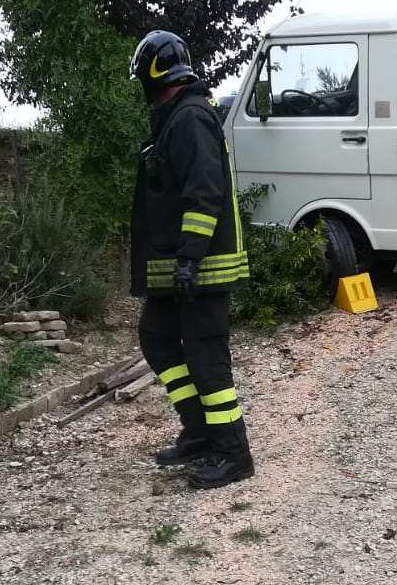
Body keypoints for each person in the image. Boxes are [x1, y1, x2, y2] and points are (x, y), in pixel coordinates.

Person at [127, 30, 254, 489]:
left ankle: (233, 453)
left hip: (198, 267)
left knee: (206, 357)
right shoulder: (174, 118)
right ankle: (199, 431)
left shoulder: (190, 118)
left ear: (154, 73)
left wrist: (189, 258)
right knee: (157, 338)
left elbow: (205, 192)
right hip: (177, 266)